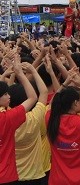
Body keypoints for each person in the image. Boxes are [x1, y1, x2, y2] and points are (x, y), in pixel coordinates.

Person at [46, 74, 80, 185]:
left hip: (57, 180)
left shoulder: (51, 119)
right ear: (75, 103)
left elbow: (52, 103)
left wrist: (65, 84)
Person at [0, 56, 38, 185]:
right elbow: (33, 97)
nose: (8, 95)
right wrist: (20, 74)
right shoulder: (7, 118)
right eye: (5, 94)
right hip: (7, 176)